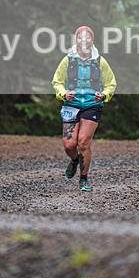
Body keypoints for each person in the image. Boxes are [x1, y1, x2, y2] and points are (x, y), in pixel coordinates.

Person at [51, 25, 117, 191]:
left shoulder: (100, 61)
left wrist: (104, 95)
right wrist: (64, 94)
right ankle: (74, 160)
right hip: (71, 105)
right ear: (77, 40)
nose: (84, 40)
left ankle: (83, 179)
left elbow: (111, 84)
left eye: (87, 37)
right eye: (81, 37)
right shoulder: (68, 60)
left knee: (83, 143)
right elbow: (57, 81)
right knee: (69, 145)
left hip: (92, 105)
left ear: (92, 40)